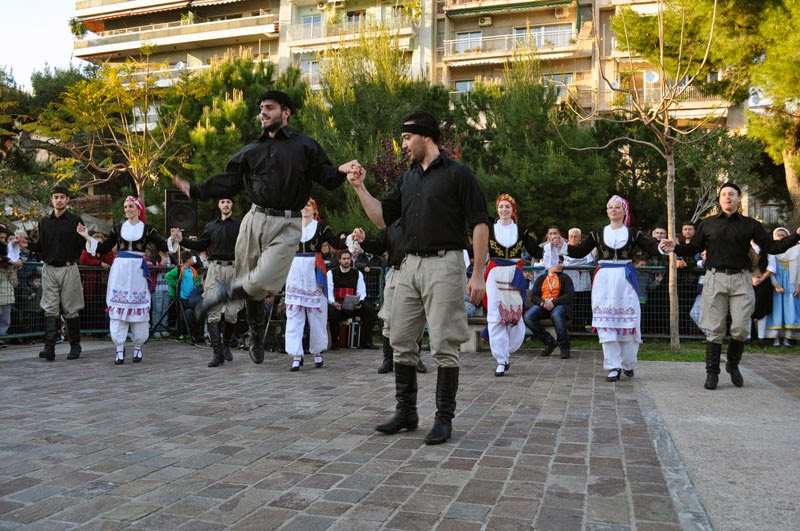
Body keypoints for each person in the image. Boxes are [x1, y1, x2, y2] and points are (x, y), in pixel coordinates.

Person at [172, 90, 360, 365]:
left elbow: (328, 179)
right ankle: (257, 334)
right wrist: (196, 190)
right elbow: (228, 181)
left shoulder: (305, 147)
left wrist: (342, 170)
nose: (263, 112)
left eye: (269, 107)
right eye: (261, 107)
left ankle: (225, 295)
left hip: (287, 223)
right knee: (252, 284)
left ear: (286, 113)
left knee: (264, 278)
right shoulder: (251, 150)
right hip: (254, 218)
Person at [347, 109, 489, 445]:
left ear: (425, 136)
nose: (404, 146)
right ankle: (407, 412)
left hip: (445, 264)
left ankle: (443, 419)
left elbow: (480, 223)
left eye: (407, 138)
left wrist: (479, 273)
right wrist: (359, 187)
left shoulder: (458, 174)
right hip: (408, 266)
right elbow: (382, 219)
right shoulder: (408, 178)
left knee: (444, 343)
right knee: (400, 339)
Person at [663, 183, 800, 390]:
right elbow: (694, 248)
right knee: (715, 329)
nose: (727, 198)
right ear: (720, 199)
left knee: (740, 328)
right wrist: (676, 248)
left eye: (731, 194)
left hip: (742, 279)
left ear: (738, 199)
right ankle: (712, 373)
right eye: (724, 194)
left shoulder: (750, 224)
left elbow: (772, 247)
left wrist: (797, 235)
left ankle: (733, 365)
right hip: (715, 278)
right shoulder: (708, 224)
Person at [563, 195, 663, 382]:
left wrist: (664, 246)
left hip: (625, 279)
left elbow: (652, 247)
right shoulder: (598, 233)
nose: (613, 210)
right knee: (606, 322)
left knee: (629, 321)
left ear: (624, 211)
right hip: (604, 280)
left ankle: (628, 362)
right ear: (607, 211)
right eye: (610, 207)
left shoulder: (633, 233)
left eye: (617, 207)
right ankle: (613, 365)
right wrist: (562, 245)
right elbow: (579, 252)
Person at [81, 197, 180, 364]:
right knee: (118, 307)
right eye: (126, 207)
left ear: (139, 209)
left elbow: (163, 245)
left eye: (131, 206)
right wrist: (86, 237)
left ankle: (137, 346)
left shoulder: (148, 229)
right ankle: (119, 348)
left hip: (137, 271)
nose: (127, 209)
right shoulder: (118, 229)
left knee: (139, 307)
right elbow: (104, 248)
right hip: (120, 270)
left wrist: (174, 238)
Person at [352, 221, 428, 374]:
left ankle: (415, 357)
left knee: (415, 319)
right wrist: (364, 241)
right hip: (395, 273)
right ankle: (388, 359)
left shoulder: (423, 222)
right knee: (389, 318)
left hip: (416, 274)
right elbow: (377, 247)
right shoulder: (391, 228)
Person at [24, 185, 90, 361]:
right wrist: (27, 245)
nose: (59, 200)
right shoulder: (44, 222)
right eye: (56, 197)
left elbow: (84, 244)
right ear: (52, 200)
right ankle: (49, 347)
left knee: (71, 308)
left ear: (67, 200)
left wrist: (88, 238)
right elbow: (41, 246)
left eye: (62, 196)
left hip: (69, 268)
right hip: (49, 268)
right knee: (50, 308)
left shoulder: (76, 220)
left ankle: (75, 345)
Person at [175, 197, 243, 368]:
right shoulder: (211, 226)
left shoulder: (240, 224)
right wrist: (182, 240)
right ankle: (217, 352)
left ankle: (226, 345)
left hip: (234, 269)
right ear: (218, 205)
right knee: (212, 310)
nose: (225, 205)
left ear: (231, 205)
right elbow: (200, 244)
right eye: (222, 202)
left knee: (232, 313)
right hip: (214, 269)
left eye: (228, 202)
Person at [284, 198, 341, 372]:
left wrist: (350, 239)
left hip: (313, 269)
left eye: (308, 205)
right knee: (294, 312)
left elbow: (335, 243)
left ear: (314, 209)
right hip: (294, 269)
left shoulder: (321, 226)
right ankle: (296, 354)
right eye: (301, 205)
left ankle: (317, 351)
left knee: (317, 313)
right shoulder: (291, 225)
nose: (304, 208)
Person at [483, 193, 536, 376]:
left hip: (515, 273)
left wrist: (552, 247)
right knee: (496, 314)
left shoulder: (521, 230)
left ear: (513, 209)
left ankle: (509, 349)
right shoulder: (489, 229)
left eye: (507, 206)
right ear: (497, 209)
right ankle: (501, 358)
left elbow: (534, 250)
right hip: (495, 272)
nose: (504, 210)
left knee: (514, 314)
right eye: (501, 206)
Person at [327, 249, 380, 353]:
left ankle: (366, 341)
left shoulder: (357, 273)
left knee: (370, 310)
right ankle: (335, 342)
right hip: (338, 304)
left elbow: (361, 290)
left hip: (353, 304)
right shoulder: (331, 273)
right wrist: (333, 303)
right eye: (344, 259)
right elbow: (329, 290)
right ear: (339, 260)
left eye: (348, 258)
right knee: (332, 312)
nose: (346, 261)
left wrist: (359, 302)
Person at [524, 254, 574, 360]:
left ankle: (564, 347)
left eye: (561, 262)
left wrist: (554, 303)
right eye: (558, 262)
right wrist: (542, 303)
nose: (561, 265)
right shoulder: (541, 278)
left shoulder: (565, 278)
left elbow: (569, 295)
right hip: (544, 306)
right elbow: (534, 296)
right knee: (528, 316)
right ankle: (549, 342)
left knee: (557, 314)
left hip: (559, 306)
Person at [765, 227, 800, 347]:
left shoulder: (796, 250)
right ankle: (776, 339)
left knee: (790, 310)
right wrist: (775, 285)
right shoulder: (772, 251)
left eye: (783, 235)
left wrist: (797, 286)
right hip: (777, 283)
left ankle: (787, 338)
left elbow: (798, 269)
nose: (781, 237)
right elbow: (770, 270)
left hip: (791, 282)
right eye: (778, 235)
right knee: (777, 310)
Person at [164, 251, 203, 345]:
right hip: (182, 298)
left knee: (191, 315)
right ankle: (183, 334)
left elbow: (197, 280)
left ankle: (194, 334)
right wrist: (177, 286)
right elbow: (168, 276)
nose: (193, 259)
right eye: (191, 258)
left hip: (191, 297)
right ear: (188, 259)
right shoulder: (180, 269)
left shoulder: (193, 270)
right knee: (183, 316)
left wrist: (198, 285)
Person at [562, 228, 594, 333]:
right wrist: (580, 262)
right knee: (571, 309)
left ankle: (582, 330)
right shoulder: (563, 249)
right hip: (570, 286)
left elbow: (589, 262)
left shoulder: (586, 249)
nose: (573, 238)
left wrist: (572, 263)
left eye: (575, 236)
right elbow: (564, 264)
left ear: (580, 238)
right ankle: (571, 330)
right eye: (571, 236)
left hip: (584, 286)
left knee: (583, 309)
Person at [749, 240, 775, 348]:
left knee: (762, 309)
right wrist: (752, 278)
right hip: (746, 281)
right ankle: (748, 338)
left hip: (763, 283)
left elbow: (772, 266)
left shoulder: (767, 248)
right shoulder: (744, 246)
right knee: (747, 309)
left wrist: (761, 278)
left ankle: (761, 338)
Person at [0, 243, 18, 348]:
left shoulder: (9, 268)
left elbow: (15, 283)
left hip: (8, 297)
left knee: (5, 320)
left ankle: (2, 337)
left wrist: (12, 272)